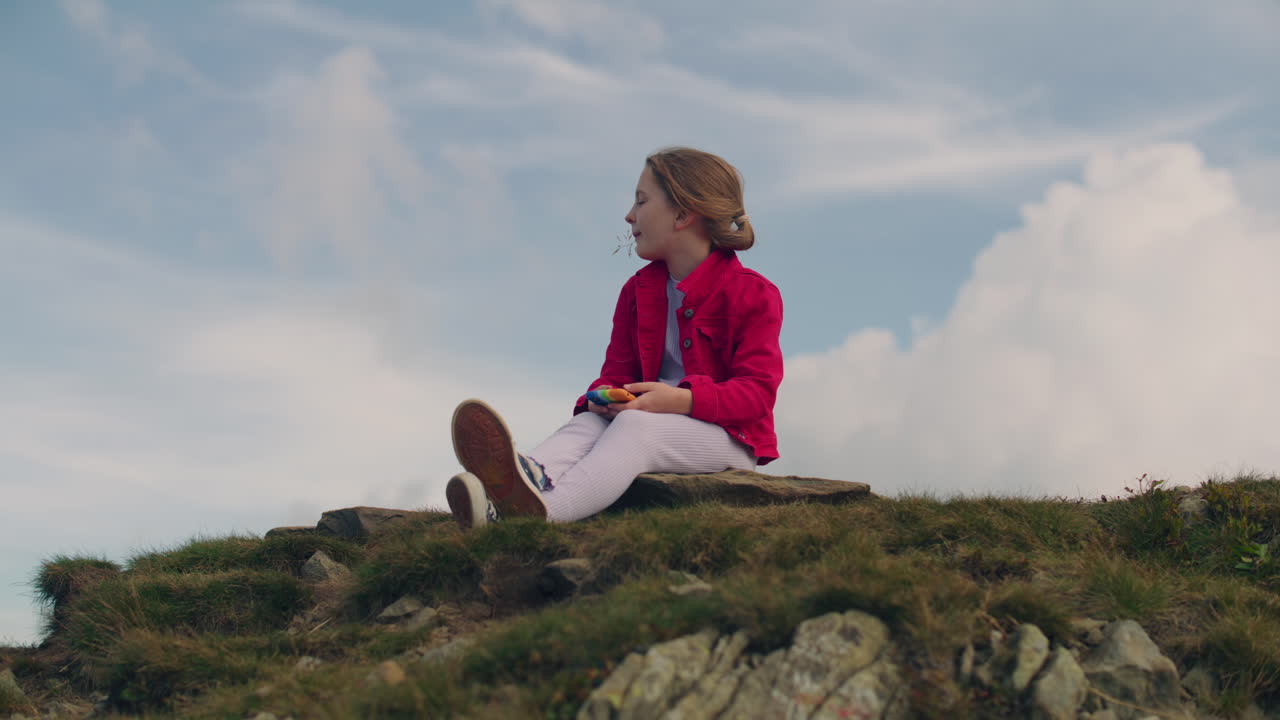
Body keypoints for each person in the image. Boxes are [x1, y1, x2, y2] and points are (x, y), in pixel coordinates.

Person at [446, 146, 784, 529]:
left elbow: (757, 395)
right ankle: (525, 478)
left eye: (641, 201)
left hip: (728, 437)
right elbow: (616, 373)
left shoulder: (753, 293)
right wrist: (602, 398)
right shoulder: (636, 291)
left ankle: (542, 516)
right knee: (590, 423)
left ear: (683, 214)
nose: (629, 215)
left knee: (633, 427)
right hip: (643, 417)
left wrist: (681, 400)